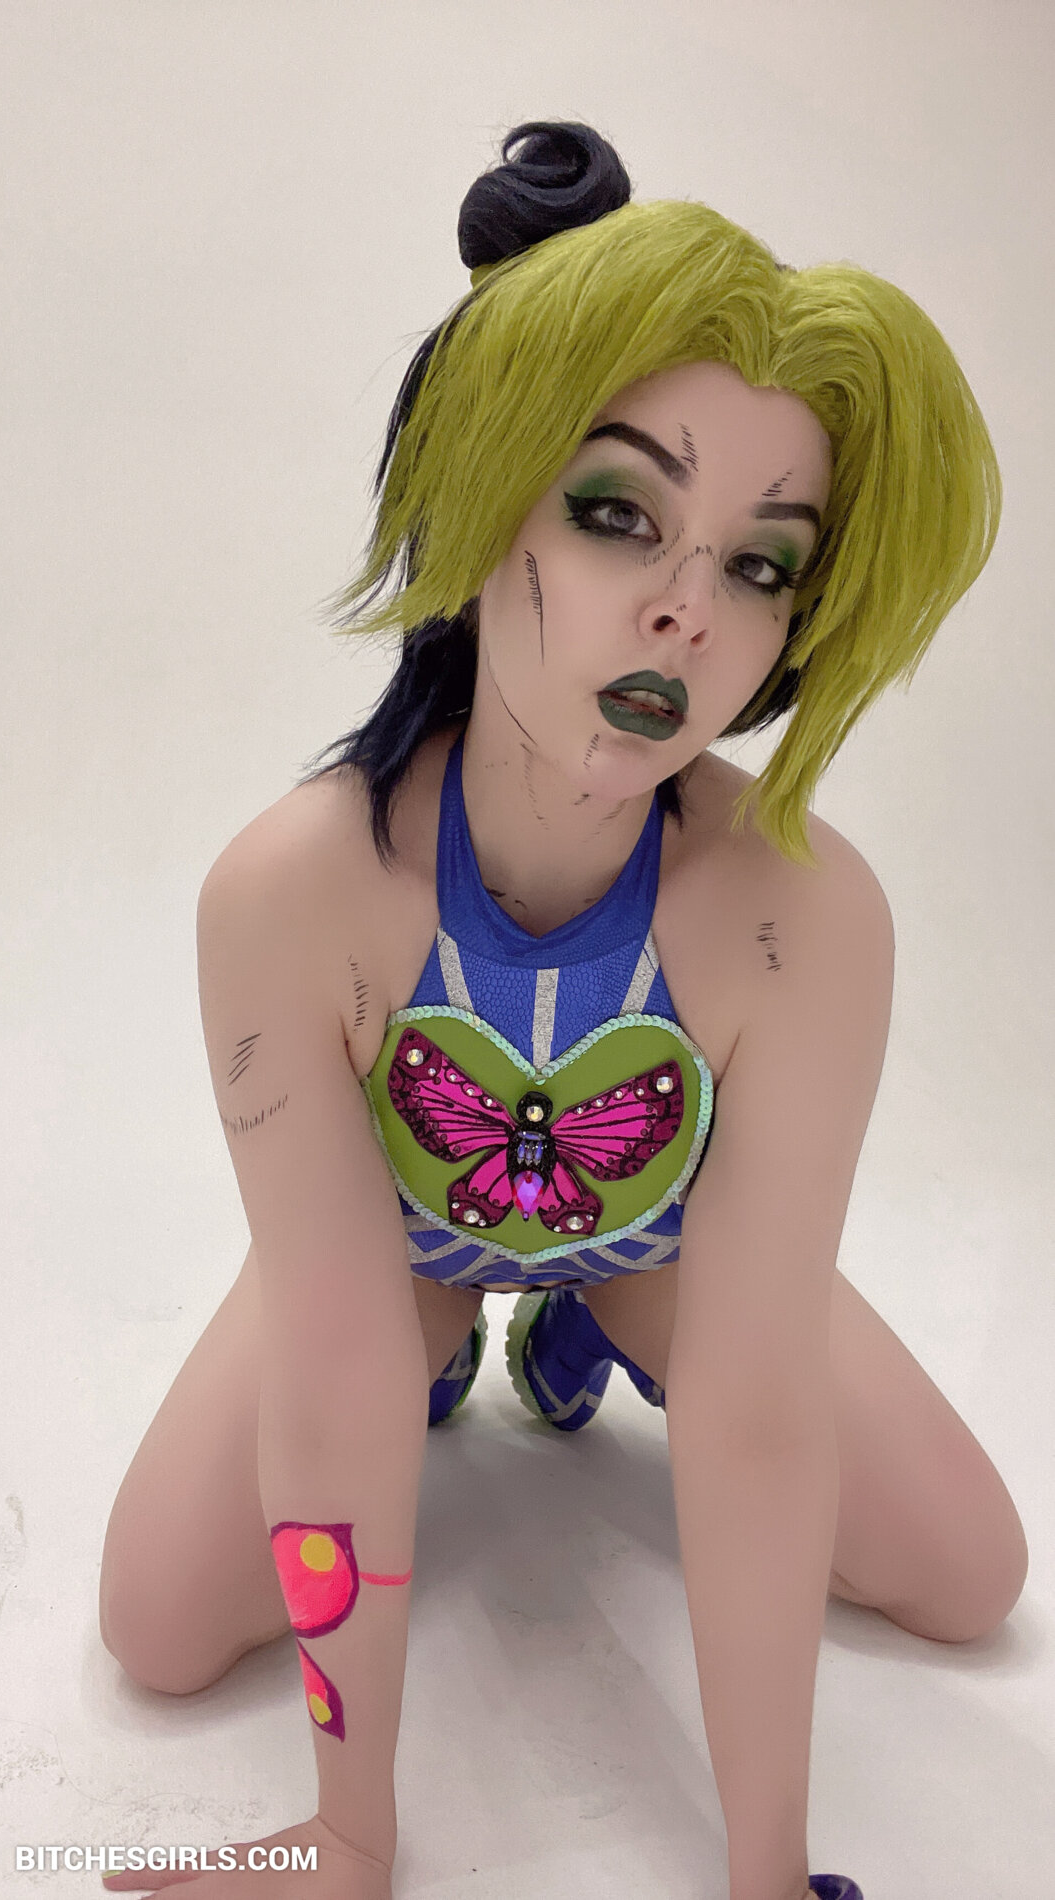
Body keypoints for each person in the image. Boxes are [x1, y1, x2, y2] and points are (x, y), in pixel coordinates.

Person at [97, 122, 1028, 1900]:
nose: (685, 610)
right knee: (156, 1624)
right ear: (480, 504)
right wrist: (347, 1835)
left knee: (970, 1575)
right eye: (617, 515)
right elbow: (327, 1375)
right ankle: (460, 1331)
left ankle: (586, 1315)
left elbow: (757, 1407)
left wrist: (767, 1873)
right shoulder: (291, 898)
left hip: (659, 1245)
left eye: (760, 562)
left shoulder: (804, 917)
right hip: (393, 1255)